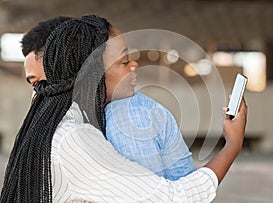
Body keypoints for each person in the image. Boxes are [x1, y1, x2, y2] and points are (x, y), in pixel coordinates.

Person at [0, 14, 247, 202]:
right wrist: (232, 146)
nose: (134, 66)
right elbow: (175, 198)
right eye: (124, 60)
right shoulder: (77, 137)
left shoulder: (58, 123)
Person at [21, 16, 196, 181]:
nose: (38, 94)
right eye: (35, 84)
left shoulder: (124, 117)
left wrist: (224, 154)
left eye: (45, 83)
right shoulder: (82, 124)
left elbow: (158, 194)